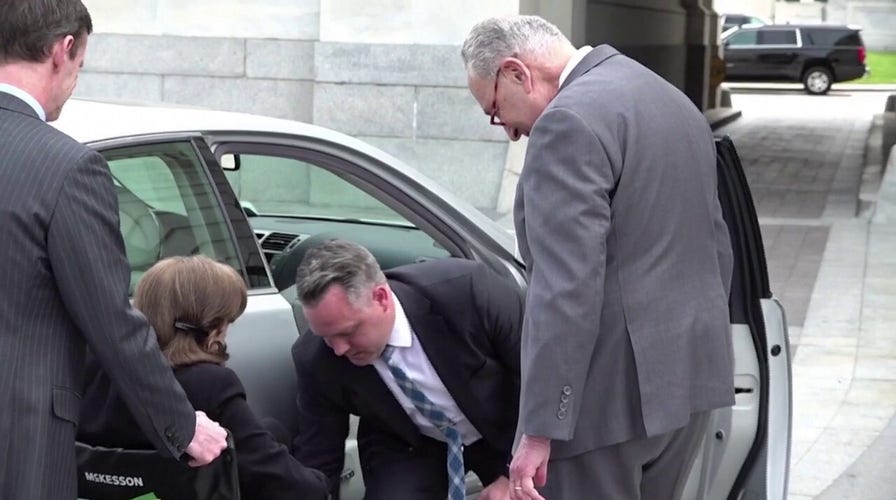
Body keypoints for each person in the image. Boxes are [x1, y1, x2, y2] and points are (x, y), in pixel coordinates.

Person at [461, 15, 735, 500]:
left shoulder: (565, 124)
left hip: (605, 405)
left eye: (496, 109)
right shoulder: (670, 98)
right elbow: (715, 246)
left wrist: (540, 427)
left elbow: (566, 289)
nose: (508, 132)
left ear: (516, 72)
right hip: (690, 382)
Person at [0, 1, 226, 498]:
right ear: (64, 50)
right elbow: (113, 323)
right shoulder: (67, 168)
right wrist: (182, 426)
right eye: (81, 63)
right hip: (19, 440)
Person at [78, 255, 330, 500]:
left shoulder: (92, 366)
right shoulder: (208, 384)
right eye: (229, 321)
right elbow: (277, 476)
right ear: (213, 327)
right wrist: (320, 484)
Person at [291, 239, 523, 500]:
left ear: (380, 298)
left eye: (348, 332)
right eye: (326, 337)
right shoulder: (316, 358)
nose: (339, 349)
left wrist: (512, 475)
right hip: (411, 443)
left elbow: (540, 381)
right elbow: (319, 455)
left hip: (506, 428)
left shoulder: (467, 292)